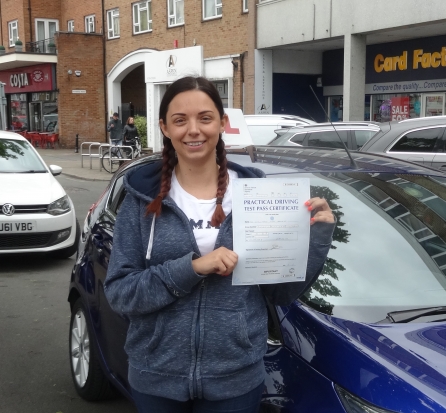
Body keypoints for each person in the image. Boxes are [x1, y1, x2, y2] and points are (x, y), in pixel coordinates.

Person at [104, 76, 335, 413]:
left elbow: (280, 292)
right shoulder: (142, 201)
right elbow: (120, 293)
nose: (193, 130)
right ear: (164, 127)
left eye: (205, 118)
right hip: (156, 375)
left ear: (222, 123)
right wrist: (192, 268)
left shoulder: (260, 198)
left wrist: (316, 239)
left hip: (234, 378)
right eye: (180, 120)